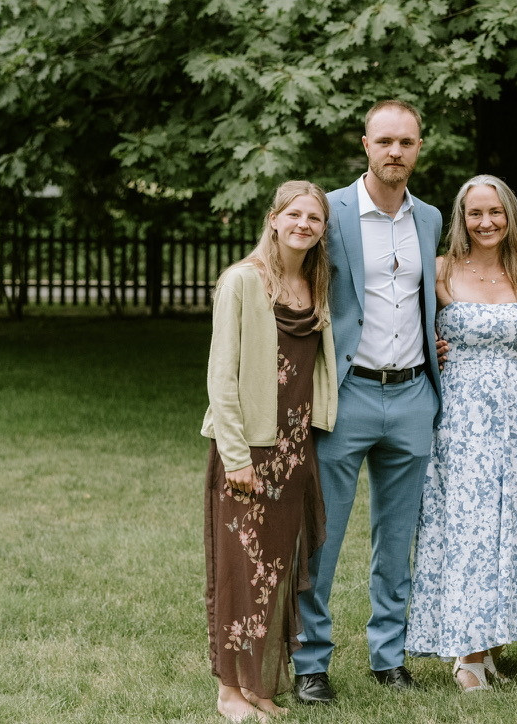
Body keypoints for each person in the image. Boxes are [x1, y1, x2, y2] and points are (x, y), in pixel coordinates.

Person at [292, 100, 443, 702]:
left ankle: (389, 656)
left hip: (412, 395)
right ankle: (310, 661)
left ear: (418, 148)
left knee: (397, 537)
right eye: (385, 141)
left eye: (406, 142)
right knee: (322, 533)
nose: (395, 152)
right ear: (365, 144)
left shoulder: (429, 218)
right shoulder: (328, 211)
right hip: (347, 392)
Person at [405, 175, 517, 691]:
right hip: (461, 417)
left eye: (495, 212)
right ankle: (466, 654)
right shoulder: (442, 269)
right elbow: (408, 329)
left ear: (509, 216)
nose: (486, 222)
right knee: (467, 528)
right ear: (461, 219)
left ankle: (491, 642)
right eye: (475, 214)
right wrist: (435, 351)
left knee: (508, 528)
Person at [201, 180, 336, 722]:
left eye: (315, 219)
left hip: (296, 448)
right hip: (249, 450)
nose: (305, 225)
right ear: (274, 219)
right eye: (295, 215)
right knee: (240, 570)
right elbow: (222, 376)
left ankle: (258, 687)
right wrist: (235, 457)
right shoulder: (241, 282)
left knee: (273, 571)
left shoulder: (313, 284)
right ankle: (228, 692)